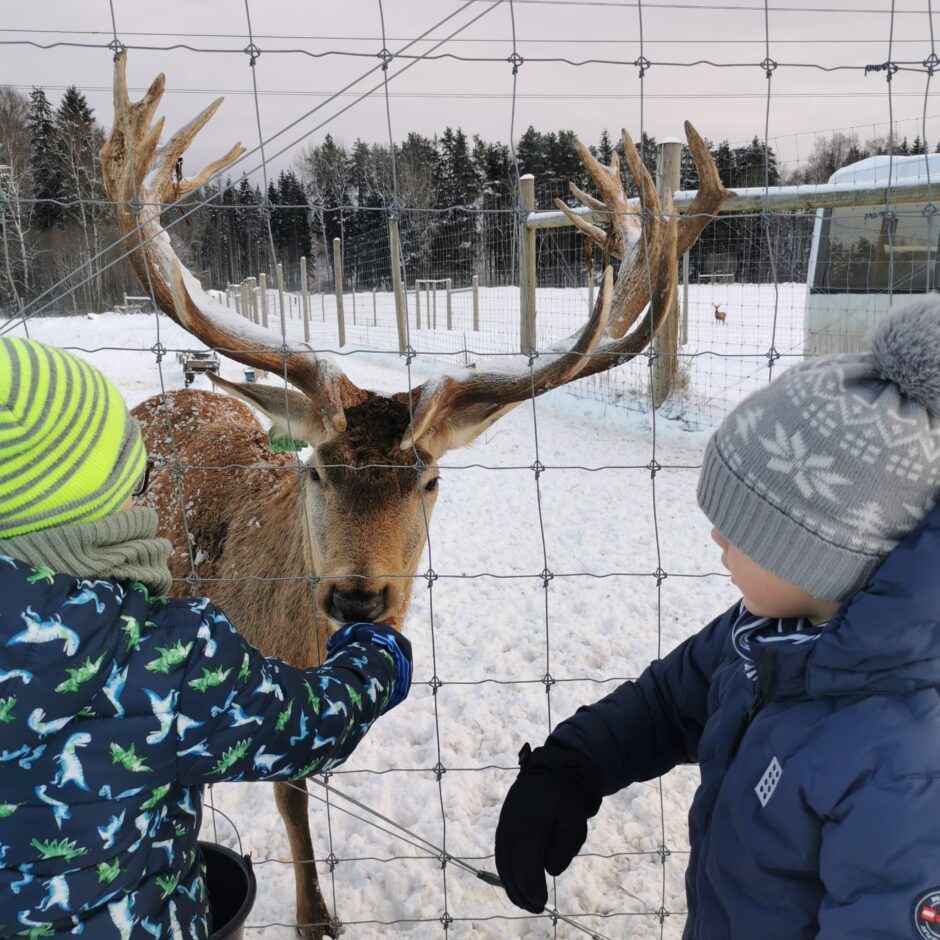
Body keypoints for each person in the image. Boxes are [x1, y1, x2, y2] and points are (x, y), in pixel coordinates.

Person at [495, 298, 940, 939]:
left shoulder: (905, 769)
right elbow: (667, 701)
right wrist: (572, 765)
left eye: (745, 528)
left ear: (823, 556)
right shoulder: (766, 641)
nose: (716, 539)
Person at [0, 337, 413, 938]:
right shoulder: (162, 658)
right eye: (136, 482)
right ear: (95, 507)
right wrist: (378, 652)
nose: (146, 494)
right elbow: (308, 725)